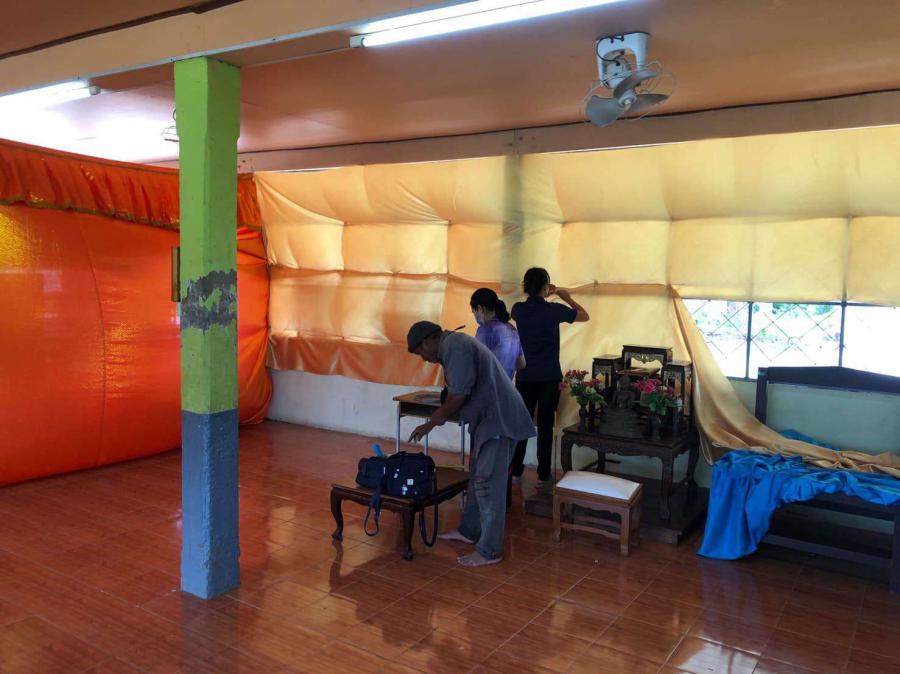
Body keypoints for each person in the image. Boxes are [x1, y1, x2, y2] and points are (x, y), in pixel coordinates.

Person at [406, 320, 536, 567]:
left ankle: (490, 550)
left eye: (420, 352)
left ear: (428, 341)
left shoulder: (455, 346)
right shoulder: (453, 346)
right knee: (477, 478)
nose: (423, 359)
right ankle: (469, 531)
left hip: (499, 421)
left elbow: (458, 397)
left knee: (488, 484)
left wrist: (429, 424)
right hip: (489, 421)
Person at [510, 267, 590, 488]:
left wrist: (544, 292)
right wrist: (566, 297)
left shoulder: (518, 310)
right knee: (545, 426)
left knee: (521, 423)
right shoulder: (554, 310)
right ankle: (543, 475)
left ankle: (516, 470)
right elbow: (584, 316)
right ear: (546, 287)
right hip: (549, 377)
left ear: (525, 287)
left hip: (525, 376)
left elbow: (530, 303)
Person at [470, 288, 525, 379]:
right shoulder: (512, 328)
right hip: (507, 386)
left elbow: (475, 364)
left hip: (489, 386)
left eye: (474, 312)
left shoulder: (485, 330)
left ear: (480, 309)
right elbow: (521, 364)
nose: (475, 316)